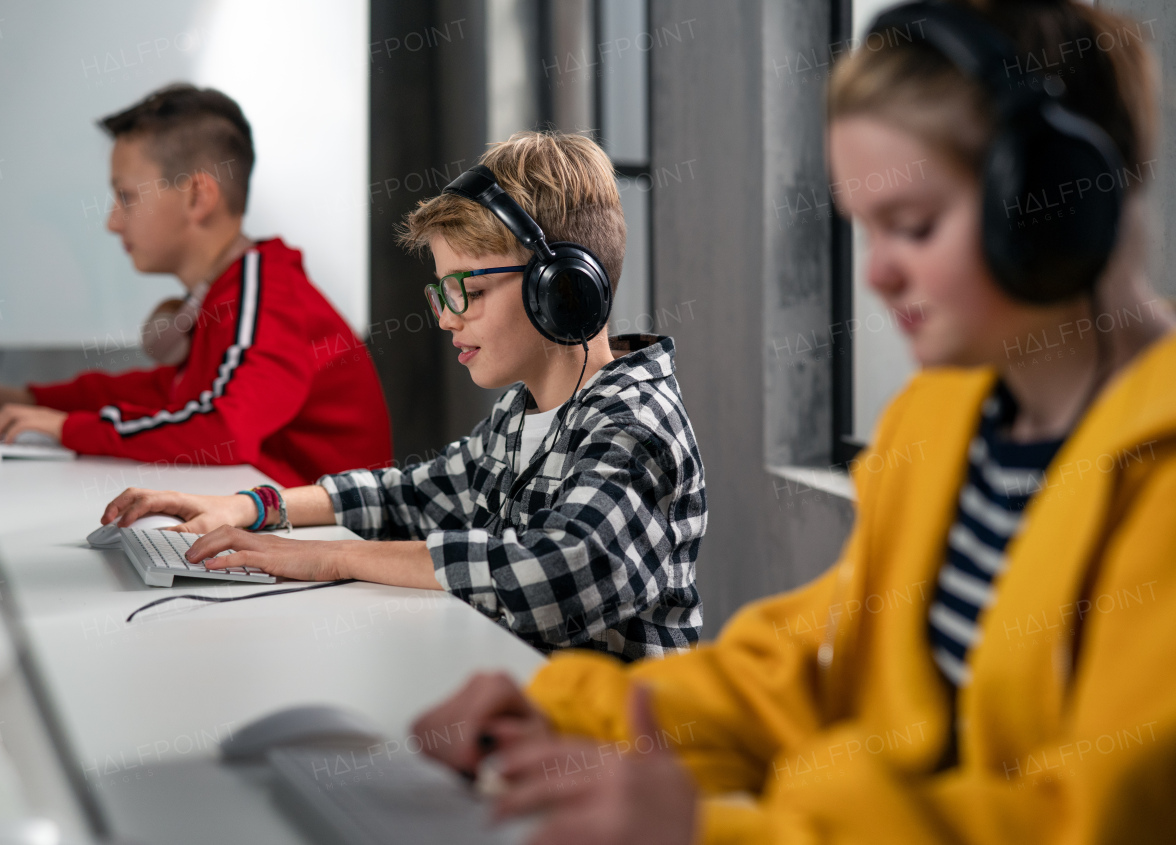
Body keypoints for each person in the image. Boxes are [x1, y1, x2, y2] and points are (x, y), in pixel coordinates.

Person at [409, 1, 1176, 842]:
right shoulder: (946, 417)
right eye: (865, 228)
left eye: (914, 225)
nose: (878, 271)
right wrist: (562, 712)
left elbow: (1081, 821)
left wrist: (712, 831)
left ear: (1052, 205)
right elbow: (802, 672)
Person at [101, 130, 707, 661]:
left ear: (561, 289)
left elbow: (558, 575)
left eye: (464, 289)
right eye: (440, 293)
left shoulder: (635, 422)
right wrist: (251, 507)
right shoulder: (522, 414)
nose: (446, 319)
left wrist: (330, 559)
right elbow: (414, 493)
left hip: (617, 756)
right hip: (523, 719)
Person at [0, 84, 392, 487]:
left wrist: (72, 428)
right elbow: (170, 393)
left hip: (334, 550)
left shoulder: (264, 291)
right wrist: (34, 401)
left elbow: (224, 426)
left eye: (126, 196)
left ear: (197, 196)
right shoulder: (232, 290)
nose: (113, 222)